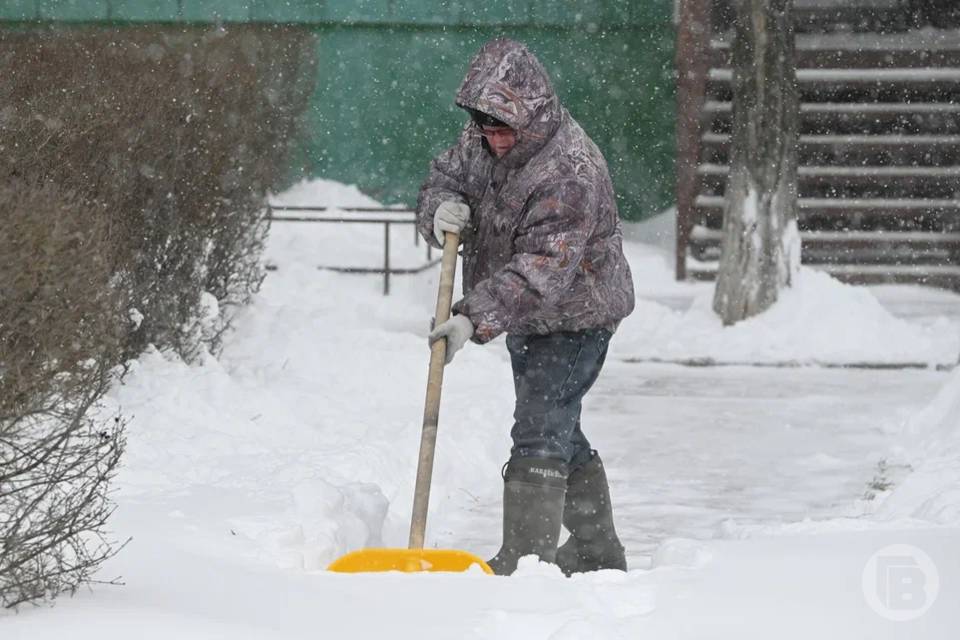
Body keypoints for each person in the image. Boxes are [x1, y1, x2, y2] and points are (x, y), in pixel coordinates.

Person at [416, 38, 635, 576]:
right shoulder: (487, 138)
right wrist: (440, 208)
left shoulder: (569, 172)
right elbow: (448, 176)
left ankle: (525, 559)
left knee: (539, 426)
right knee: (558, 424)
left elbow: (543, 269)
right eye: (484, 127)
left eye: (502, 129)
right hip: (527, 315)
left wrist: (473, 316)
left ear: (532, 116)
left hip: (577, 315)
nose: (491, 140)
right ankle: (596, 550)